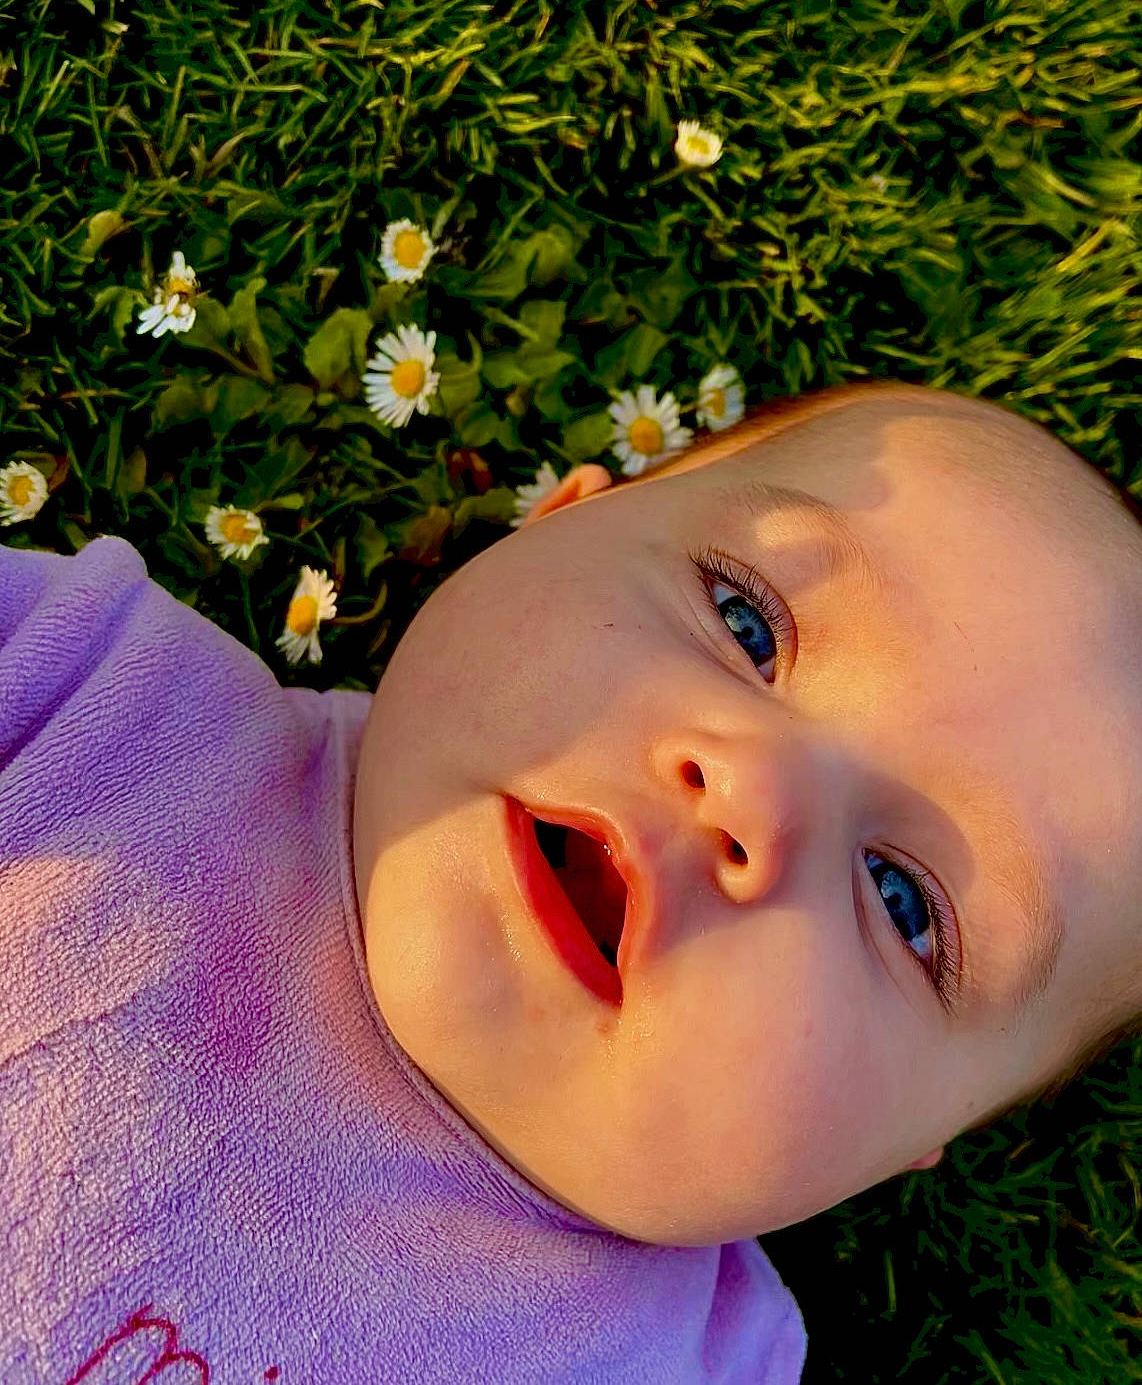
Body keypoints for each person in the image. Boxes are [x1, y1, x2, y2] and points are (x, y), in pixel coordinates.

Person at [2, 376, 1139, 1383]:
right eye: (746, 623)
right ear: (557, 520)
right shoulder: (83, 688)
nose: (754, 789)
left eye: (901, 902)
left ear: (904, 1148)